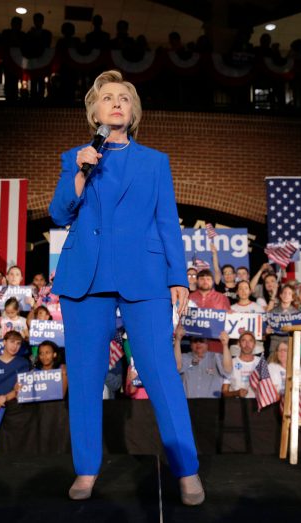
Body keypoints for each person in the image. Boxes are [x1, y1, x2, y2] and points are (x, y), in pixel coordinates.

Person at [48, 70, 202, 504]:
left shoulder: (155, 161)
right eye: (107, 98)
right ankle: (86, 470)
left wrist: (178, 276)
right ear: (94, 111)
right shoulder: (75, 157)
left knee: (160, 372)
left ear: (133, 113)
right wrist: (79, 173)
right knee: (84, 375)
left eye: (124, 99)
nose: (116, 103)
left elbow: (166, 220)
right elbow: (60, 212)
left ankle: (186, 470)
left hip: (145, 276)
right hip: (85, 278)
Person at [173, 325, 232, 398]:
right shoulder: (185, 357)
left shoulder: (216, 357)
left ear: (207, 343)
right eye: (195, 341)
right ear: (190, 344)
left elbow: (228, 369)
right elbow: (177, 367)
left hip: (211, 406)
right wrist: (178, 340)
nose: (198, 343)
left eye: (201, 340)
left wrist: (225, 345)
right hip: (188, 404)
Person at [0, 331, 30, 413]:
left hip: (14, 409)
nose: (15, 346)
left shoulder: (23, 363)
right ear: (4, 342)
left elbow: (19, 388)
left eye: (18, 343)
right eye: (12, 342)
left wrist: (1, 401)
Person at [221, 331, 261, 399]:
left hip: (256, 405)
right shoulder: (231, 363)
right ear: (239, 344)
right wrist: (236, 393)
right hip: (236, 404)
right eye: (243, 341)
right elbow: (224, 392)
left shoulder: (261, 362)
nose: (247, 344)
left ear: (254, 344)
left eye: (250, 341)